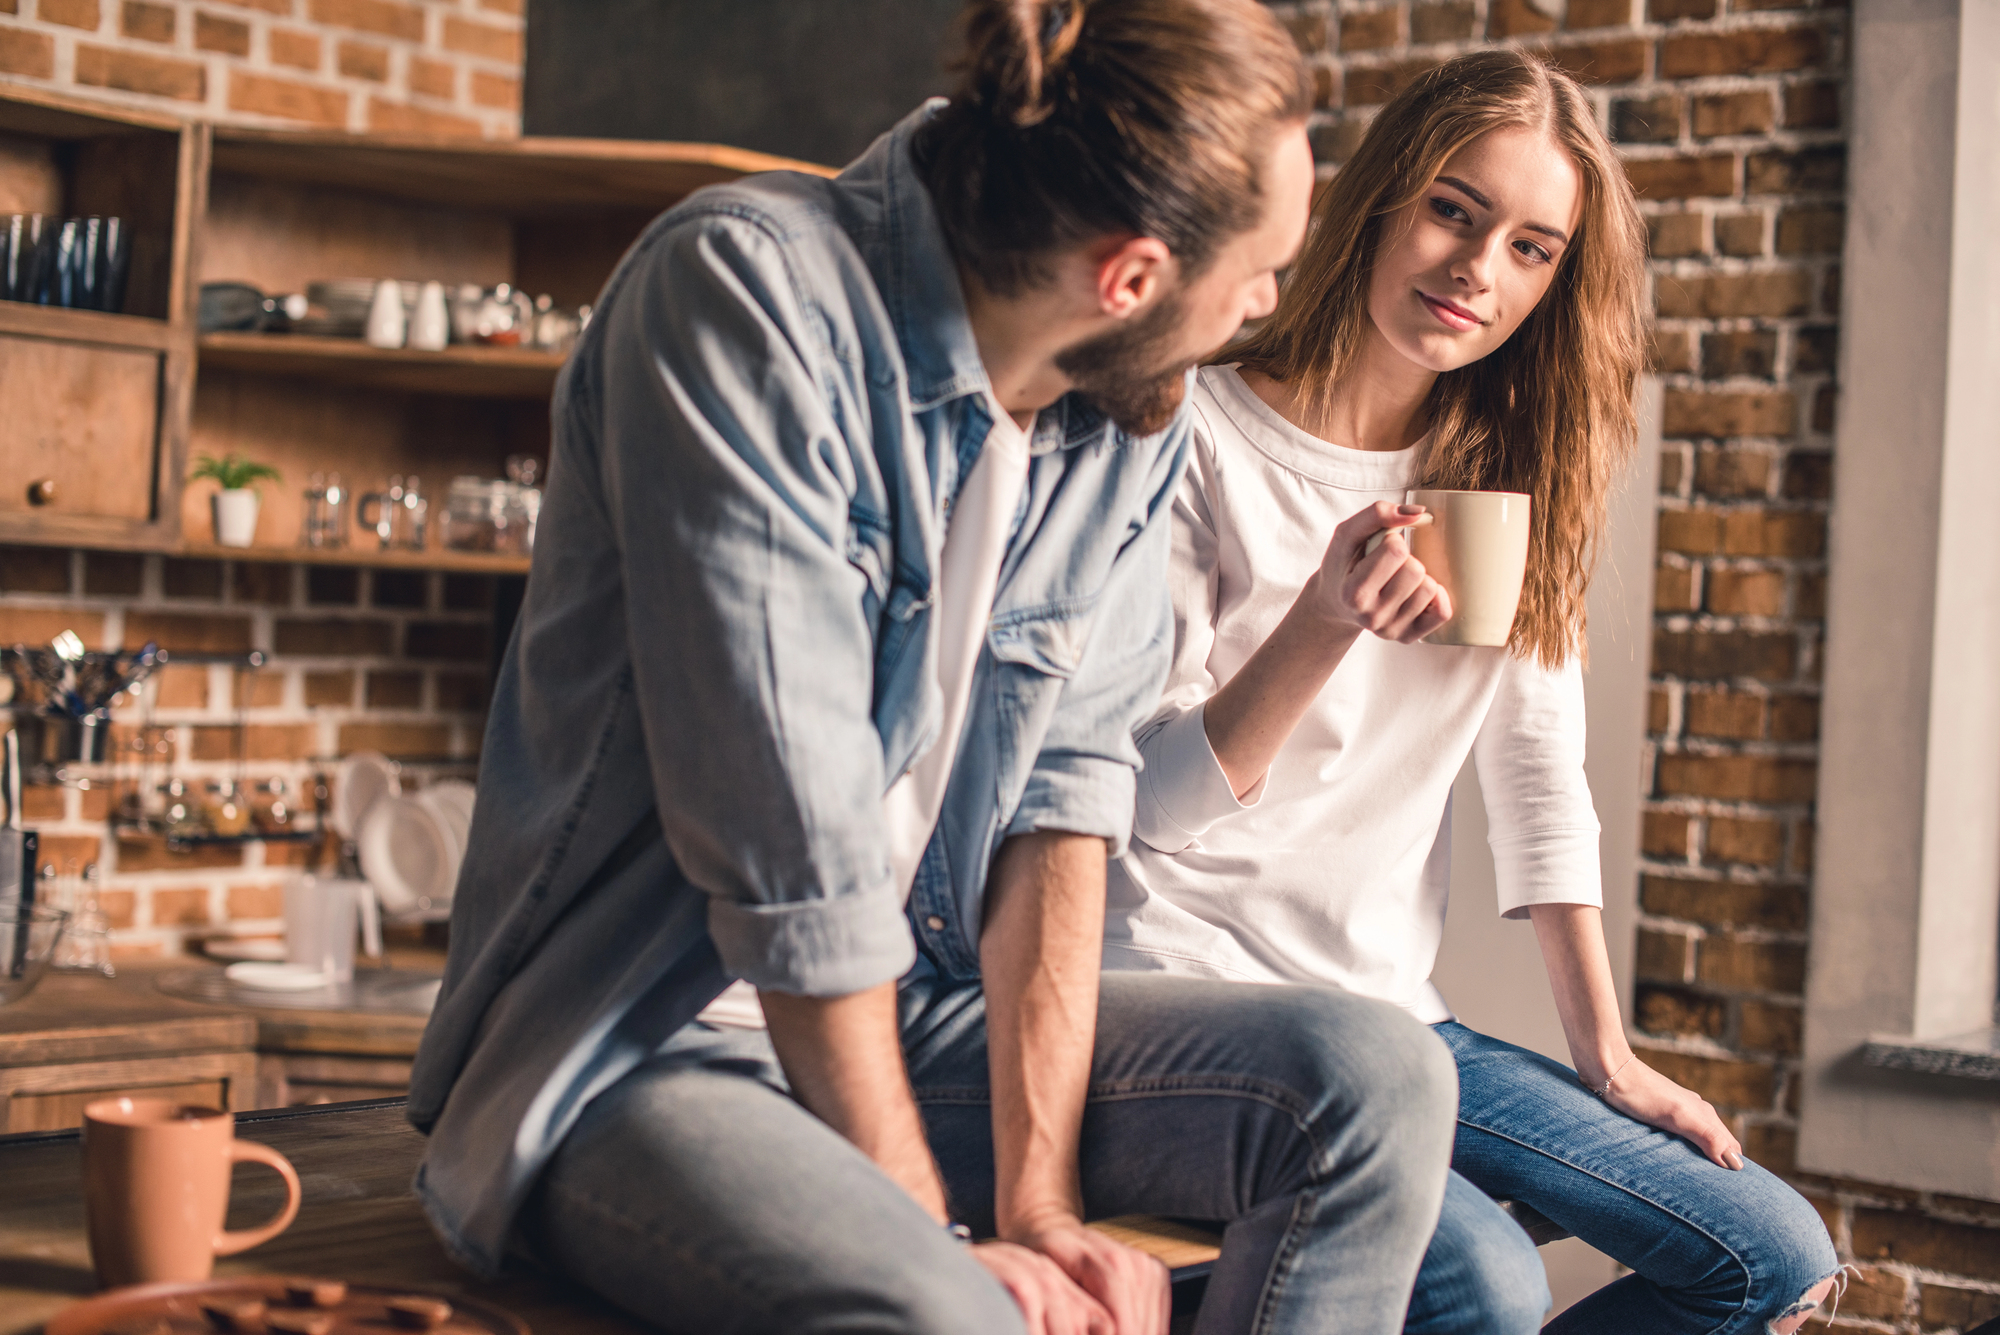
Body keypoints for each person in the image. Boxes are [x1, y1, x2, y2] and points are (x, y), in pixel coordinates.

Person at [407, 3, 1462, 1333]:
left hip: (915, 1016)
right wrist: (935, 1233)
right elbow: (792, 845)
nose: (1264, 311)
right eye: (1257, 275)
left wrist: (1041, 1210)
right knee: (942, 1316)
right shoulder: (743, 295)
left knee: (1381, 1076)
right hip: (640, 1047)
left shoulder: (1125, 410)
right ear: (1129, 276)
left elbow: (1065, 797)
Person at [1102, 49, 1841, 1335]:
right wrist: (1321, 623)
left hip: (1397, 1015)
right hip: (1186, 1007)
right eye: (1453, 211)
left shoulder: (1499, 472)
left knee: (1767, 1253)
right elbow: (1141, 809)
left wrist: (1603, 1054)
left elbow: (1537, 781)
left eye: (1530, 248)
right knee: (1482, 1280)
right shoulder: (1189, 437)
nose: (1475, 273)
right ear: (1382, 197)